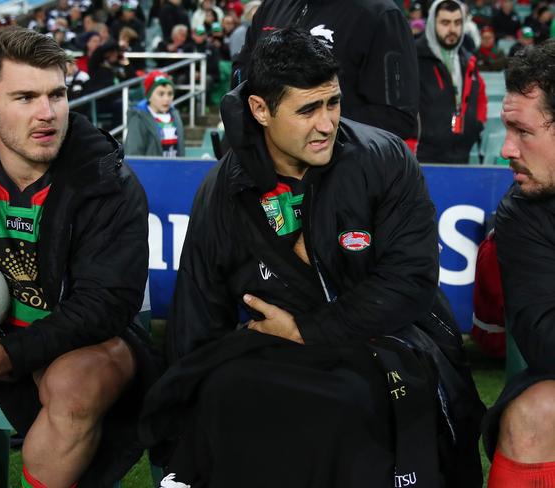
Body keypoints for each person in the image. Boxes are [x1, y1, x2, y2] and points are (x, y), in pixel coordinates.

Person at [139, 27, 484, 488]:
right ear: (260, 109)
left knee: (346, 405)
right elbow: (197, 313)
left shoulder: (386, 159)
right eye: (308, 109)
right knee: (222, 392)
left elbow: (410, 283)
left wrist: (306, 329)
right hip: (273, 351)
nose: (327, 124)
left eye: (333, 103)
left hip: (391, 343)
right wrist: (176, 420)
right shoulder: (222, 191)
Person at [0, 26, 159, 487]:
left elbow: (103, 308)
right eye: (24, 97)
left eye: (57, 95)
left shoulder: (108, 183)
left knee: (76, 386)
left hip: (72, 344)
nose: (47, 114)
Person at [481, 38, 555, 488]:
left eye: (523, 132)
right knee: (532, 412)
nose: (507, 149)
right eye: (507, 129)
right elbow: (545, 338)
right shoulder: (520, 213)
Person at [234, 0, 420, 140]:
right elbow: (241, 76)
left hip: (338, 177)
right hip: (264, 173)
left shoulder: (380, 14)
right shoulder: (273, 5)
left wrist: (313, 124)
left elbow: (398, 116)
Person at [415, 0, 487, 164]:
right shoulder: (414, 58)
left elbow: (481, 96)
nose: (452, 29)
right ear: (433, 23)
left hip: (461, 154)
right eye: (445, 23)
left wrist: (476, 126)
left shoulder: (469, 59)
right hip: (423, 157)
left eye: (457, 22)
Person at [125, 70, 185, 157]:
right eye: (161, 94)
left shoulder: (175, 116)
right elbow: (133, 153)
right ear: (149, 96)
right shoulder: (139, 118)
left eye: (170, 94)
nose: (166, 99)